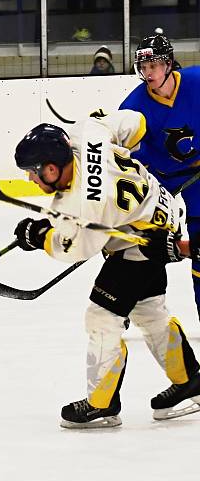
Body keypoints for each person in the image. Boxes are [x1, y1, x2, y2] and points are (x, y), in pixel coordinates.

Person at [10, 110, 200, 428]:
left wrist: (41, 237)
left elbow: (79, 246)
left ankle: (102, 404)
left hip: (141, 241)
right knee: (149, 311)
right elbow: (135, 123)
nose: (30, 178)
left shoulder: (86, 204)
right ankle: (190, 380)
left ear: (52, 168)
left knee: (102, 318)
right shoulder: (88, 136)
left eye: (33, 172)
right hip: (161, 208)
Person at [117, 30, 200, 319]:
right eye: (143, 67)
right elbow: (121, 155)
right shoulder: (132, 106)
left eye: (153, 66)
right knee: (134, 238)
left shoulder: (196, 81)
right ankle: (122, 306)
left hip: (198, 177)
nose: (147, 73)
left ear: (168, 64)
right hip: (158, 177)